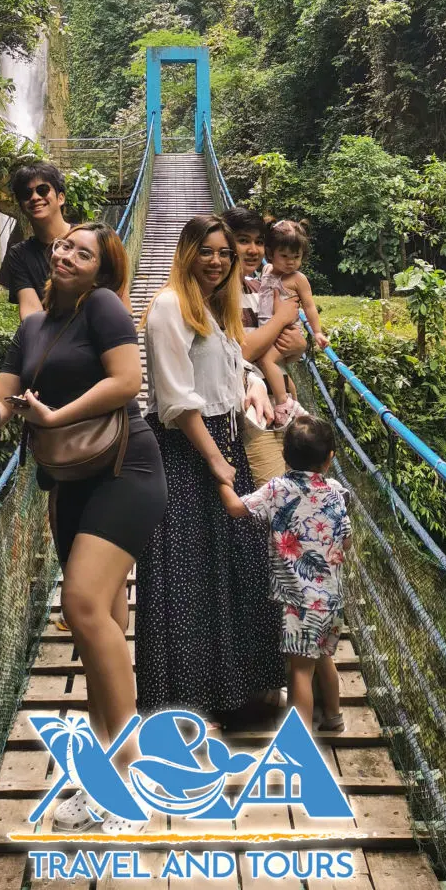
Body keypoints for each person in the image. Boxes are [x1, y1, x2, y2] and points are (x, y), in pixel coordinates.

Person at [0, 222, 167, 833]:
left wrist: (54, 416)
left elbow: (128, 383)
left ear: (101, 270)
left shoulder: (103, 307)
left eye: (83, 251)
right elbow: (2, 399)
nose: (66, 253)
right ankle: (106, 773)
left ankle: (129, 777)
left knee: (79, 603)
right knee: (101, 620)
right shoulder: (30, 330)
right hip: (68, 481)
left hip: (126, 468)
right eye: (62, 246)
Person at [134, 214, 285, 719]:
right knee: (187, 574)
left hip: (223, 444)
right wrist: (219, 462)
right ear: (187, 252)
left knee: (237, 563)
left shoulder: (214, 307)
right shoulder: (168, 307)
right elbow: (177, 401)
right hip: (186, 453)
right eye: (208, 251)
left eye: (225, 252)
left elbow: (225, 365)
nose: (218, 261)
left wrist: (254, 382)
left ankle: (240, 688)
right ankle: (184, 699)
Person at [218, 414, 350, 734]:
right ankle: (334, 717)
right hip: (330, 596)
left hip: (297, 600)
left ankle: (299, 739)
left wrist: (221, 479)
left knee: (299, 671)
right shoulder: (336, 490)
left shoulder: (278, 489)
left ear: (283, 455)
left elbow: (237, 508)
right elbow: (346, 537)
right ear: (329, 458)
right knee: (322, 658)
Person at [224, 204, 306, 485]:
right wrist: (280, 319)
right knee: (279, 497)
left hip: (281, 400)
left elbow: (281, 343)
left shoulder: (262, 289)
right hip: (250, 413)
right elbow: (243, 351)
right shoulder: (218, 294)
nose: (253, 249)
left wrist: (299, 346)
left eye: (259, 242)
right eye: (243, 240)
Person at [0, 161, 72, 317]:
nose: (35, 197)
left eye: (42, 190)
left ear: (61, 197)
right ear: (21, 205)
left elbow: (119, 302)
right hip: (51, 338)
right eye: (26, 194)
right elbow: (31, 316)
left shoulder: (93, 239)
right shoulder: (19, 255)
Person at [256, 219, 329, 350]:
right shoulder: (266, 270)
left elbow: (309, 307)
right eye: (284, 256)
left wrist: (317, 332)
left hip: (286, 335)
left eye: (296, 257)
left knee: (266, 361)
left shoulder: (298, 279)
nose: (290, 262)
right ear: (270, 253)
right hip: (266, 331)